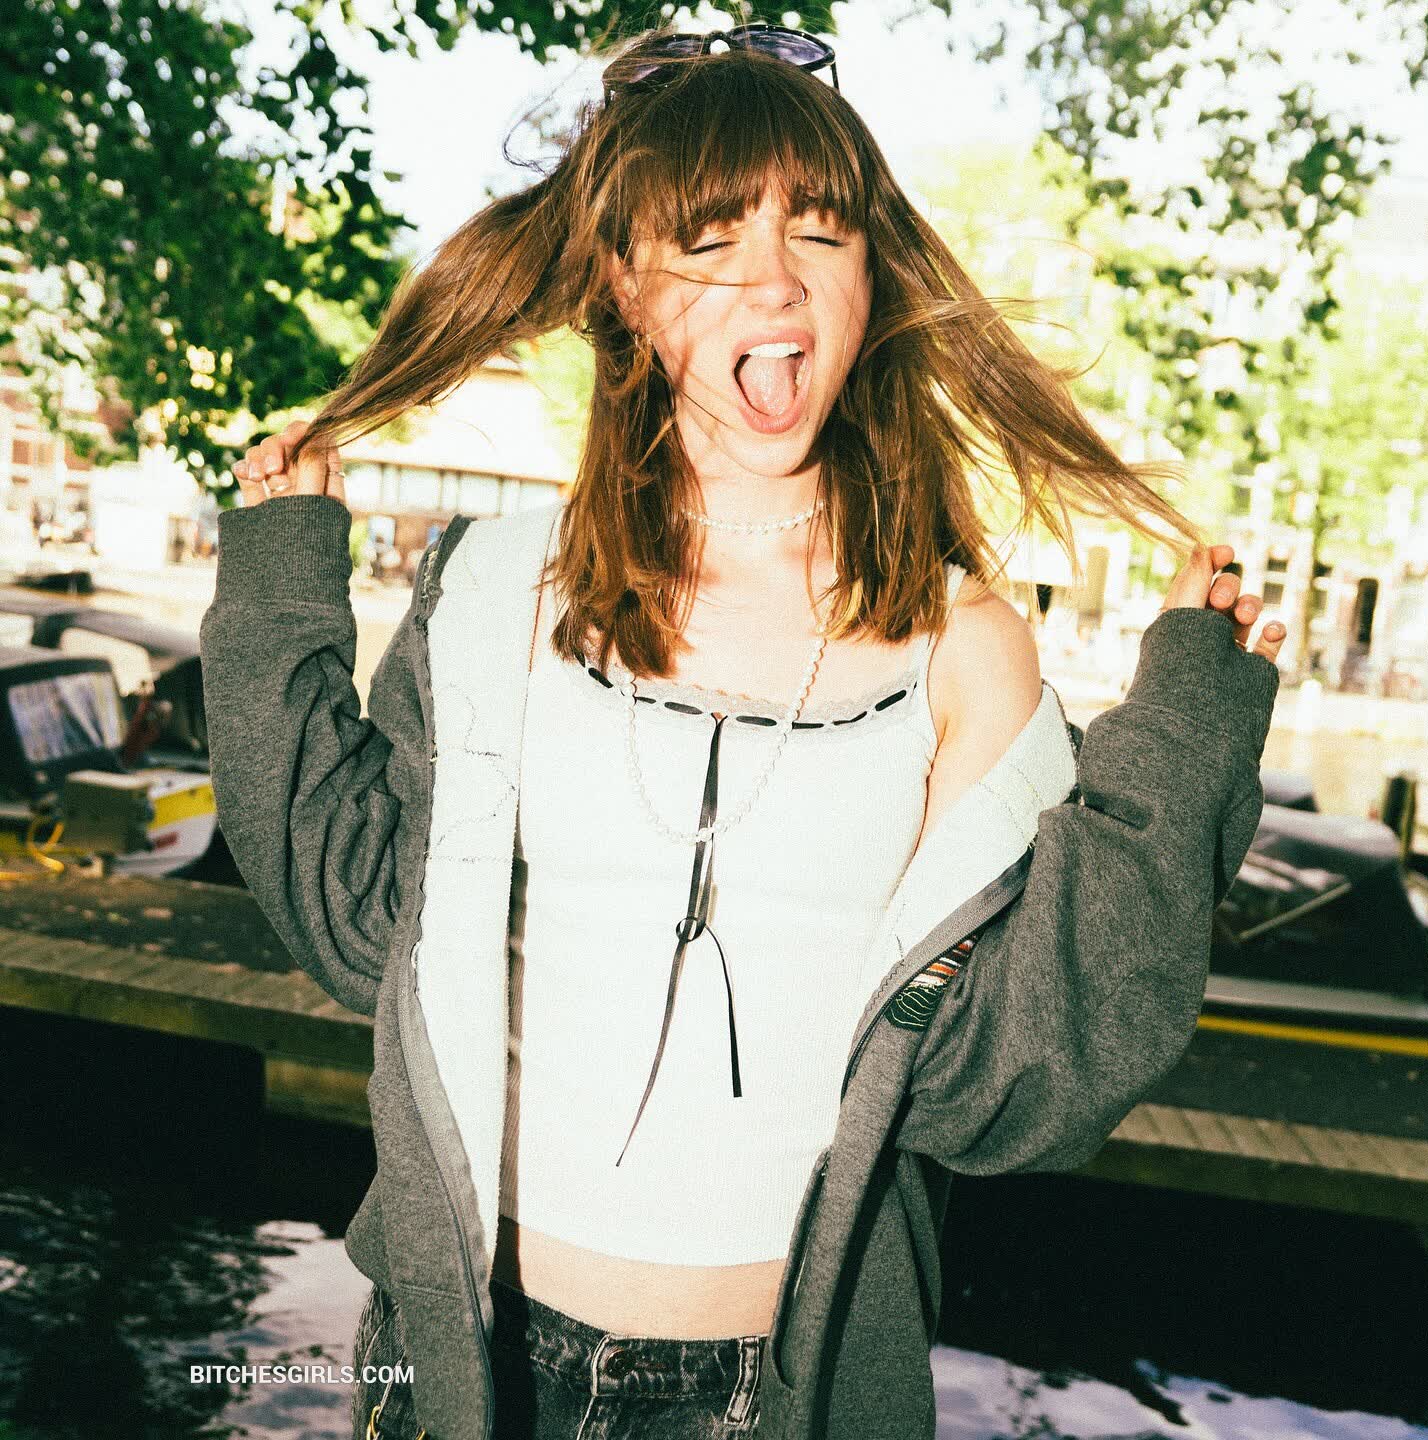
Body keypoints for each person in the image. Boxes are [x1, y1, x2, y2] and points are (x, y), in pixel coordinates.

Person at [202, 24, 1286, 1440]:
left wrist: (1183, 740)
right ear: (626, 286)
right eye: (711, 240)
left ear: (870, 280)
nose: (774, 278)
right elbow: (359, 922)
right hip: (461, 1368)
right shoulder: (490, 595)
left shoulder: (967, 651)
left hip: (775, 1402)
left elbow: (1010, 1086)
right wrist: (279, 581)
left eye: (819, 232)